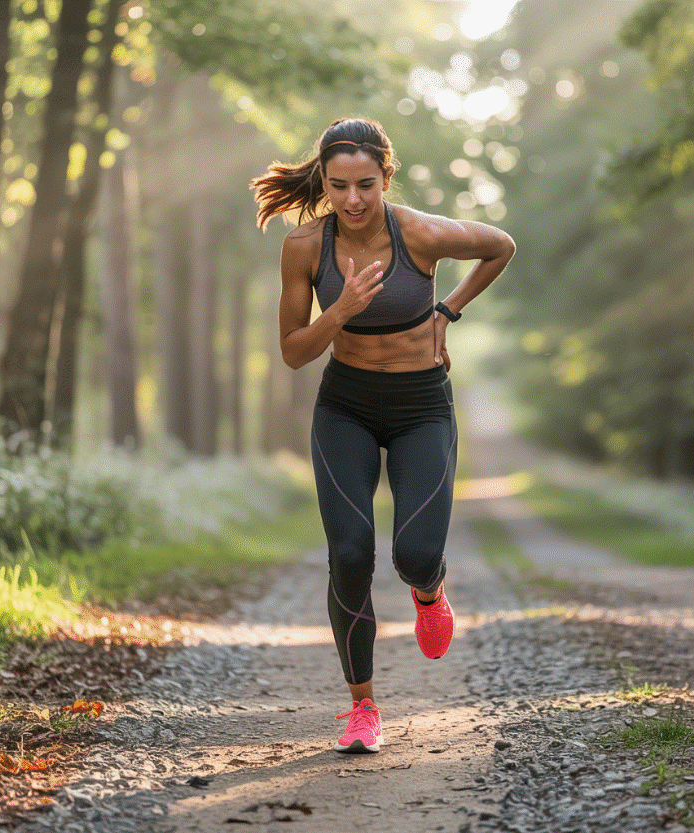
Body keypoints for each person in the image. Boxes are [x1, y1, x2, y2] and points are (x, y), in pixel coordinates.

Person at [251, 117, 515, 754]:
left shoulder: (419, 233)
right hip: (345, 406)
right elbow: (293, 352)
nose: (352, 199)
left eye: (365, 185)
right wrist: (339, 310)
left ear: (386, 178)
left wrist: (447, 310)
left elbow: (501, 245)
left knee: (414, 554)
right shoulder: (304, 247)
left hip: (422, 406)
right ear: (323, 182)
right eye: (338, 185)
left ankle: (430, 589)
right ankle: (363, 707)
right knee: (349, 554)